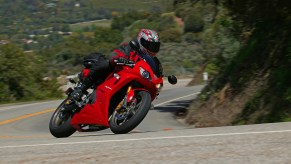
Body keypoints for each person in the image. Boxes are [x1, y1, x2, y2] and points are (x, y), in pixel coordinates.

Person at [71, 29, 163, 101]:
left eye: (155, 46)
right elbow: (116, 53)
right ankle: (81, 88)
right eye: (150, 45)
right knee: (105, 63)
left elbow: (156, 73)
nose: (152, 49)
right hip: (117, 71)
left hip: (133, 77)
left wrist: (158, 80)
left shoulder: (153, 61)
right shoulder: (130, 46)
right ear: (141, 41)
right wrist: (117, 58)